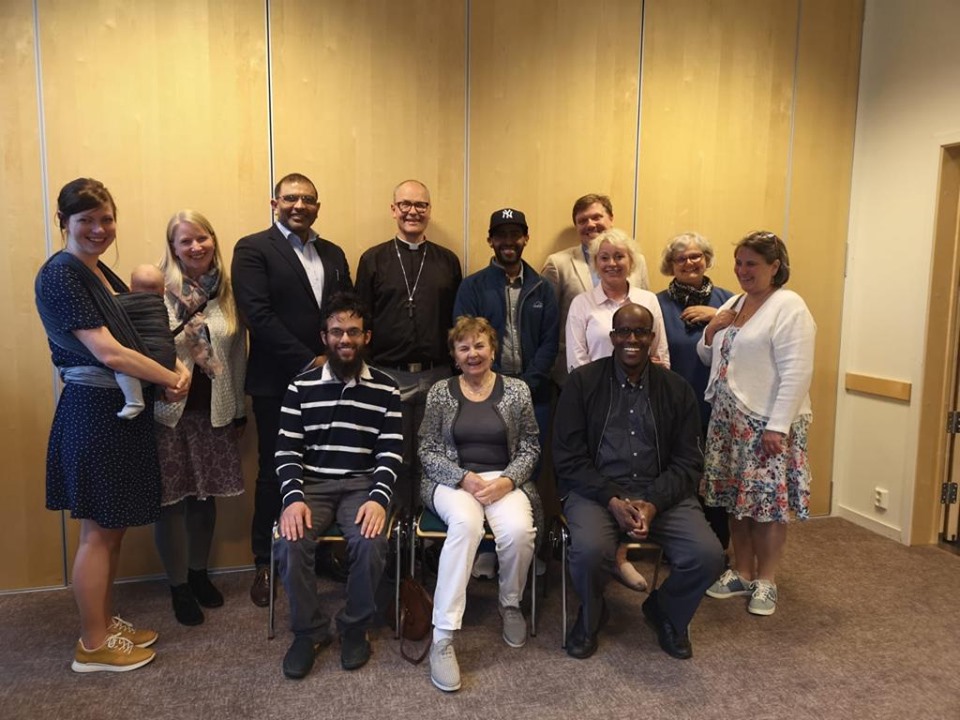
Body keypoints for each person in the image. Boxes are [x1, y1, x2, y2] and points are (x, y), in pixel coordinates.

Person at [34, 178, 190, 672]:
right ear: (64, 222)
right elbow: (110, 352)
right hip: (94, 412)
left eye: (106, 219)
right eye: (87, 220)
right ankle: (93, 644)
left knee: (111, 528)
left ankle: (101, 622)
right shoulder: (62, 275)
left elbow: (142, 333)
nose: (99, 229)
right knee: (99, 533)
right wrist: (169, 377)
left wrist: (176, 366)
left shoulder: (97, 271)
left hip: (115, 412)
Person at [554, 303, 723, 661]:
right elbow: (568, 458)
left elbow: (689, 461)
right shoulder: (582, 383)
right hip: (597, 492)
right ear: (613, 337)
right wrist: (611, 498)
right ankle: (592, 613)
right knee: (589, 551)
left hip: (660, 491)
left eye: (641, 332)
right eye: (624, 332)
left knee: (707, 556)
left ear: (652, 337)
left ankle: (666, 612)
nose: (632, 339)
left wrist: (655, 502)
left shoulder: (676, 389)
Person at [232, 173, 352, 607]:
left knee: (325, 468)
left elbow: (345, 312)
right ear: (275, 203)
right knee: (274, 470)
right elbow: (257, 315)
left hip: (333, 381)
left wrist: (338, 361)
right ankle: (266, 560)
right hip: (278, 381)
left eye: (308, 199)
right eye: (290, 198)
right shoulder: (253, 249)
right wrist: (310, 361)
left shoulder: (333, 253)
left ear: (318, 206)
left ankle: (318, 553)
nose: (299, 205)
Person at [275, 292, 402, 679]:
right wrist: (292, 499)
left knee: (370, 540)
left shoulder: (387, 388)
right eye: (336, 332)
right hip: (311, 484)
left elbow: (390, 453)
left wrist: (379, 499)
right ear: (324, 337)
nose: (345, 339)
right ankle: (309, 631)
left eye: (353, 332)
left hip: (362, 485)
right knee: (290, 540)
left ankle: (354, 626)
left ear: (367, 337)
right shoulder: (300, 387)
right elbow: (287, 451)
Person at [419, 316, 541, 693]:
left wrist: (507, 480)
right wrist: (463, 478)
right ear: (454, 356)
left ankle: (510, 604)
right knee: (466, 526)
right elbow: (426, 449)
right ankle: (443, 637)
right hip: (452, 480)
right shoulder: (440, 392)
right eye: (464, 348)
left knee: (519, 531)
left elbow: (531, 446)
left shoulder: (517, 390)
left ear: (493, 349)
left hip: (503, 479)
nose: (473, 354)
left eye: (479, 345)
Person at [699, 231, 815, 616]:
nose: (742, 270)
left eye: (752, 263)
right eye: (739, 262)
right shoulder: (735, 302)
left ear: (774, 266)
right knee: (736, 499)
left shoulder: (788, 306)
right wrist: (712, 328)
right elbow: (709, 355)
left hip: (765, 422)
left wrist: (778, 426)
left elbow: (797, 371)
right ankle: (742, 571)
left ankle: (767, 579)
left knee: (767, 504)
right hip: (728, 421)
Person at [153, 210, 247, 626]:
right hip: (169, 413)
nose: (195, 247)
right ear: (173, 247)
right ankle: (178, 586)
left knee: (205, 499)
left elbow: (237, 352)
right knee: (172, 503)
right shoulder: (157, 289)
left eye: (201, 238)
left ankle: (198, 573)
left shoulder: (226, 291)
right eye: (185, 241)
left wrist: (238, 408)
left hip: (214, 410)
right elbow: (143, 348)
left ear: (213, 239)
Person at [453, 207, 557, 579]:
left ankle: (524, 549)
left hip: (534, 392)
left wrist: (524, 386)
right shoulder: (473, 286)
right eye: (501, 235)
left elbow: (549, 342)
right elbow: (466, 339)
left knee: (528, 471)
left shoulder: (542, 288)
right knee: (484, 467)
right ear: (490, 240)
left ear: (526, 238)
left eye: (515, 234)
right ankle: (486, 548)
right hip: (483, 394)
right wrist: (496, 387)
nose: (508, 242)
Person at [356, 179, 462, 512]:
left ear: (429, 211)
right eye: (405, 204)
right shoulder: (373, 259)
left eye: (420, 205)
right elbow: (362, 320)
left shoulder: (447, 261)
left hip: (437, 375)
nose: (412, 211)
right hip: (388, 374)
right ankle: (397, 527)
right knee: (394, 458)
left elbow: (456, 320)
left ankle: (426, 528)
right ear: (393, 209)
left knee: (434, 459)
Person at [656, 232, 734, 550]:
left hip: (717, 405)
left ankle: (716, 543)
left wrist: (716, 316)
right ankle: (676, 543)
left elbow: (752, 333)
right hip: (671, 406)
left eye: (695, 256)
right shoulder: (657, 303)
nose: (689, 262)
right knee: (678, 474)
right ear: (671, 265)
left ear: (706, 259)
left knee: (715, 476)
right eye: (681, 258)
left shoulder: (729, 302)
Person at [541, 194, 650, 384]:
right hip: (577, 372)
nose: (590, 224)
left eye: (596, 217)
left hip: (634, 374)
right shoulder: (558, 264)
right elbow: (546, 322)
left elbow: (646, 312)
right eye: (582, 220)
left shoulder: (636, 260)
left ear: (611, 218)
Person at [566, 227, 669, 372]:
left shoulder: (648, 300)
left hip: (642, 384)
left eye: (619, 256)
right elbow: (576, 361)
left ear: (631, 261)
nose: (612, 263)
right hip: (594, 384)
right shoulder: (581, 303)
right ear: (595, 263)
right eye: (604, 258)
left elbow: (660, 355)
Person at [112, 264, 178, 419]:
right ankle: (157, 393)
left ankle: (134, 400)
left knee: (123, 366)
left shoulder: (122, 303)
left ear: (130, 288)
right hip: (166, 356)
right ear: (163, 291)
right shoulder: (161, 306)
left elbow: (112, 307)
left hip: (141, 357)